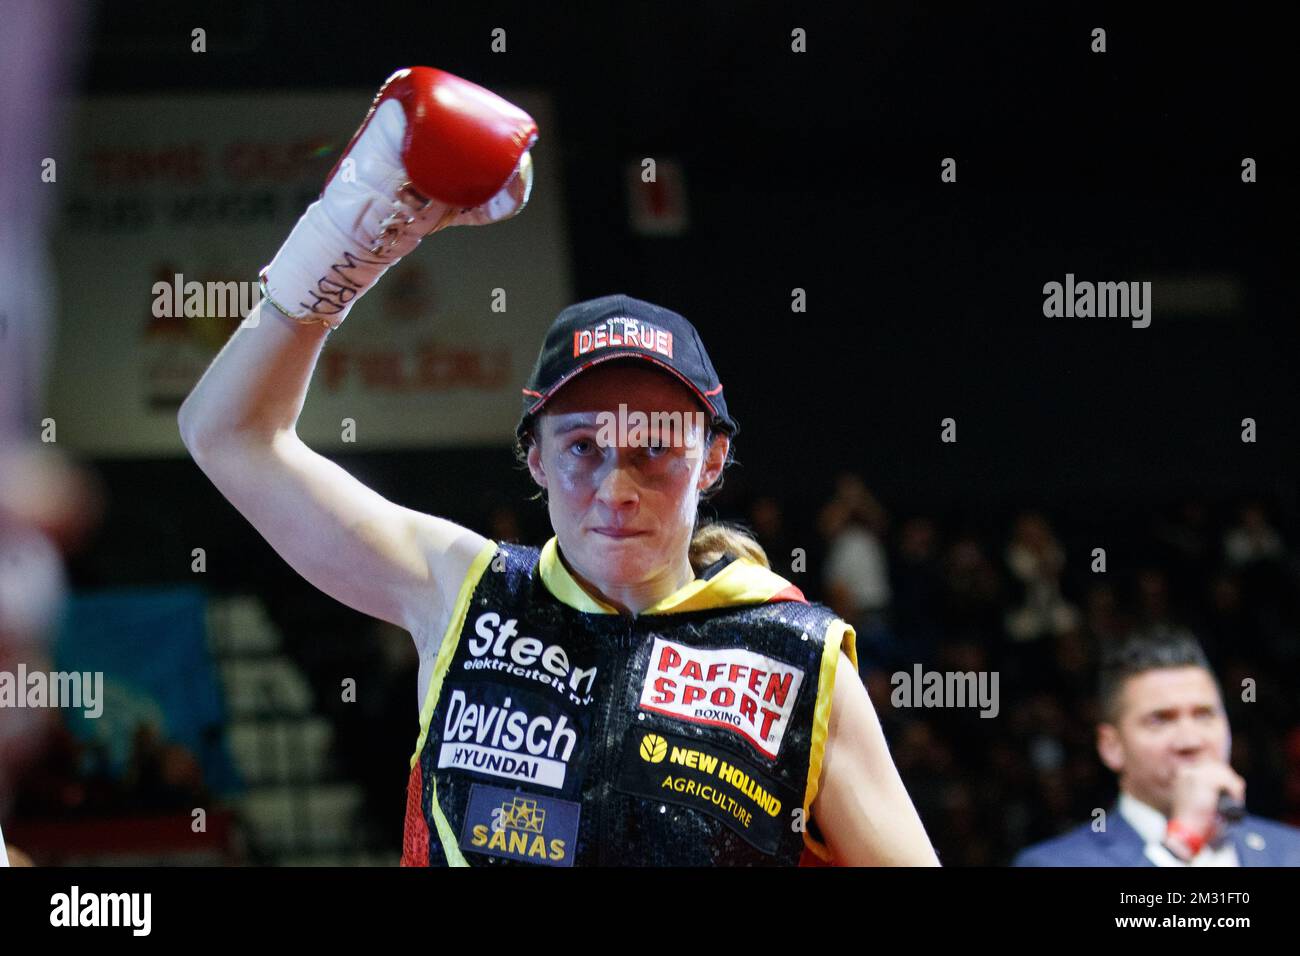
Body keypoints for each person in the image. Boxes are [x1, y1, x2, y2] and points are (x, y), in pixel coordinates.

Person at [178, 65, 938, 866]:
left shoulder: (796, 659)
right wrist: (349, 237)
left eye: (654, 447)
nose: (616, 487)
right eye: (582, 447)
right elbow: (226, 435)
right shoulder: (462, 591)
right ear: (534, 458)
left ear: (713, 459)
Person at [1013, 630, 1300, 866]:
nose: (1190, 741)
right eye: (1159, 720)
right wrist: (1179, 843)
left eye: (1204, 715)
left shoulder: (1290, 851)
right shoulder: (1053, 863)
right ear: (1112, 747)